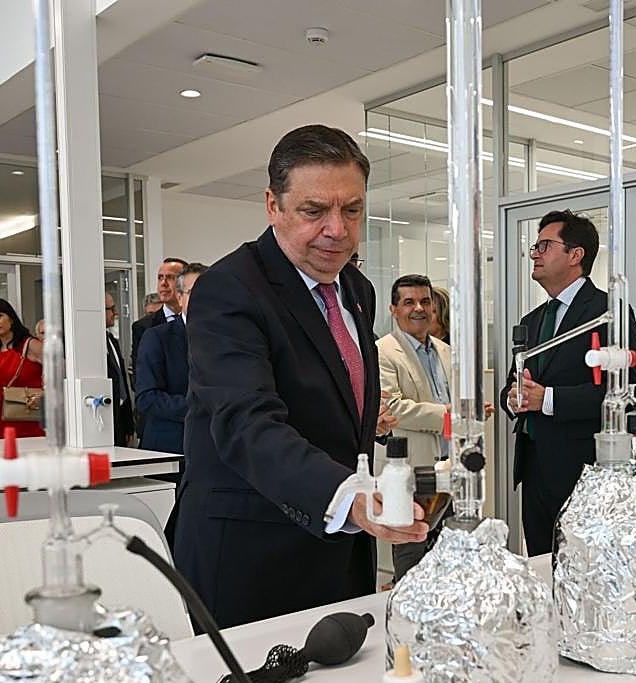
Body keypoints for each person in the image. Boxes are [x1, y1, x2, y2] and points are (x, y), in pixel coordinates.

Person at [175, 124, 427, 629]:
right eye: (314, 211)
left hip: (340, 546)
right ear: (273, 205)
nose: (337, 230)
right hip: (252, 554)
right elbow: (246, 422)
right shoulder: (229, 289)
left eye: (352, 210)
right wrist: (346, 496)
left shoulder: (356, 288)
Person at [500, 209, 636, 558]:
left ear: (575, 255)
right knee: (541, 561)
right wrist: (513, 398)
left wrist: (547, 399)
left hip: (584, 470)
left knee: (583, 567)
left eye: (544, 246)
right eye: (534, 247)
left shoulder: (608, 313)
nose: (534, 254)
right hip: (534, 468)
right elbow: (513, 384)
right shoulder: (532, 320)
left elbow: (627, 391)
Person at [376, 275, 453, 580]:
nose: (418, 308)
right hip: (410, 469)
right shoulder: (382, 351)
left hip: (450, 467)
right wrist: (450, 416)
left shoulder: (444, 351)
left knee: (449, 554)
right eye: (409, 302)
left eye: (425, 301)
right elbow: (393, 408)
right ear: (393, 309)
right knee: (411, 555)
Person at [134, 263, 206, 454]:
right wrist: (203, 408)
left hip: (219, 450)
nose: (203, 297)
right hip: (172, 448)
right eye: (194, 292)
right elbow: (147, 398)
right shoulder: (157, 337)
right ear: (180, 297)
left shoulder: (228, 337)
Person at [0, 298, 44, 440]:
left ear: (11, 319)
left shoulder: (30, 345)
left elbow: (60, 369)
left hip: (28, 415)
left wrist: (46, 393)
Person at [103, 292, 135, 447]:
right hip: (103, 421)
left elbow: (122, 382)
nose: (115, 313)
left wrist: (129, 423)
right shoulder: (87, 344)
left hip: (120, 421)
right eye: (111, 309)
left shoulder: (112, 341)